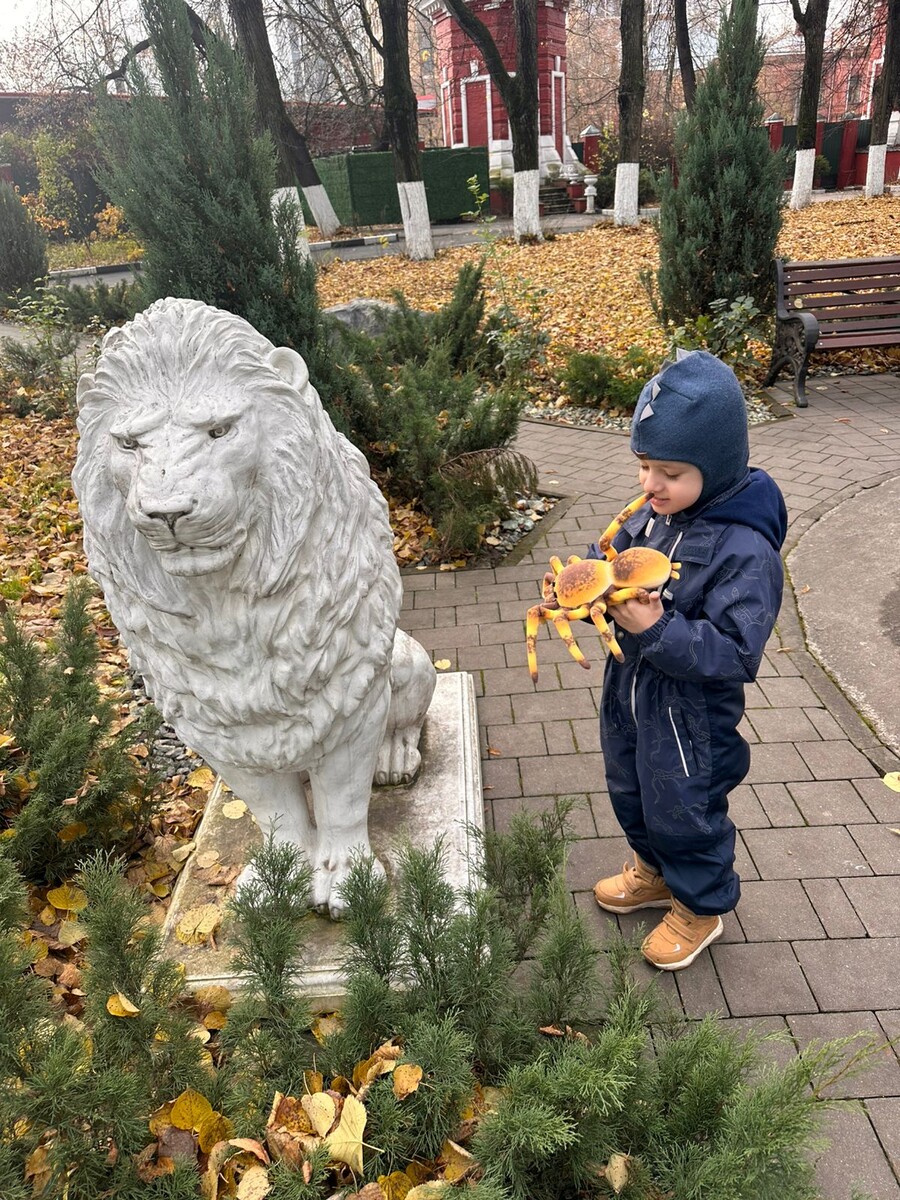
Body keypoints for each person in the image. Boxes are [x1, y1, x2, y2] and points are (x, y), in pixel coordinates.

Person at [589, 349, 787, 971]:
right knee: (630, 786)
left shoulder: (745, 549)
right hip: (630, 691)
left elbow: (733, 652)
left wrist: (656, 626)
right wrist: (587, 579)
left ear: (716, 465)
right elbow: (614, 558)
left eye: (668, 472)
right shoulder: (654, 515)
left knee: (686, 809)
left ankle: (702, 906)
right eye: (645, 466)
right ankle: (652, 872)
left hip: (690, 719)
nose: (650, 485)